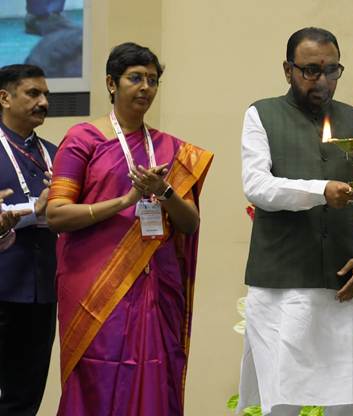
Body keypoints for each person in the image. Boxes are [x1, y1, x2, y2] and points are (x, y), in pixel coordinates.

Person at [46, 42, 213, 415]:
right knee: (99, 375)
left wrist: (164, 191)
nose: (145, 88)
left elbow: (189, 223)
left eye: (152, 80)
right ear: (111, 83)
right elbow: (57, 214)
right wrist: (125, 201)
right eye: (135, 78)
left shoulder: (169, 149)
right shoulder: (83, 139)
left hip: (157, 285)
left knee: (156, 371)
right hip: (96, 286)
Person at [238, 27, 353, 416]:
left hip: (345, 283)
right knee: (282, 398)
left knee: (350, 398)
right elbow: (258, 186)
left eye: (332, 70)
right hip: (282, 286)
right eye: (311, 70)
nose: (322, 80)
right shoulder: (261, 114)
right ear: (288, 70)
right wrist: (320, 191)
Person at [0, 64, 56, 416]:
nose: (44, 102)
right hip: (3, 284)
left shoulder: (57, 153)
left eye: (46, 94)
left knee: (25, 398)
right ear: (4, 98)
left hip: (43, 290)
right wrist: (32, 210)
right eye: (33, 93)